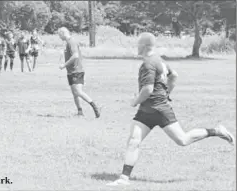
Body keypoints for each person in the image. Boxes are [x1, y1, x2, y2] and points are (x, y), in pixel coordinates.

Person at [107, 32, 236, 186]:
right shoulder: (159, 61)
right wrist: (167, 92)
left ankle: (216, 131)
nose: (136, 46)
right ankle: (124, 178)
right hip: (146, 111)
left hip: (159, 110)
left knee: (183, 140)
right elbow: (174, 75)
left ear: (144, 46)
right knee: (134, 141)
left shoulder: (148, 64)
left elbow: (147, 89)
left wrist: (135, 101)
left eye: (138, 44)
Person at [58, 27, 101, 118]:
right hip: (71, 71)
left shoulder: (71, 42)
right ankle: (80, 112)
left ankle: (95, 107)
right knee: (74, 93)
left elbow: (75, 56)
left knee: (78, 91)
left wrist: (64, 65)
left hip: (76, 70)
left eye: (59, 35)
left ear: (63, 33)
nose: (59, 37)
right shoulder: (67, 43)